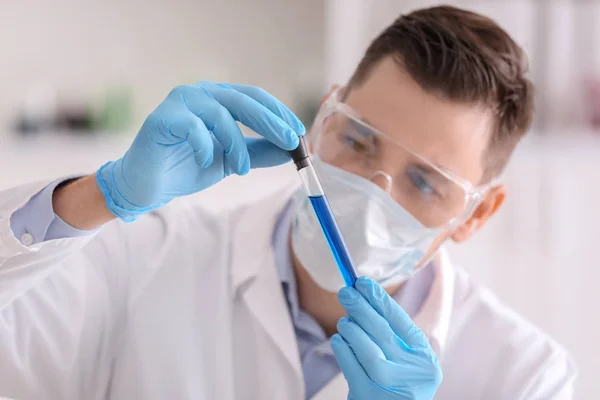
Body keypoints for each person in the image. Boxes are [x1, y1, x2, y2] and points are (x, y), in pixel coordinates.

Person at [0, 5, 576, 400]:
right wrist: (104, 195)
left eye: (425, 183)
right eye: (356, 140)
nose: (373, 194)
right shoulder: (142, 260)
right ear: (323, 115)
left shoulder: (525, 377)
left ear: (476, 213)